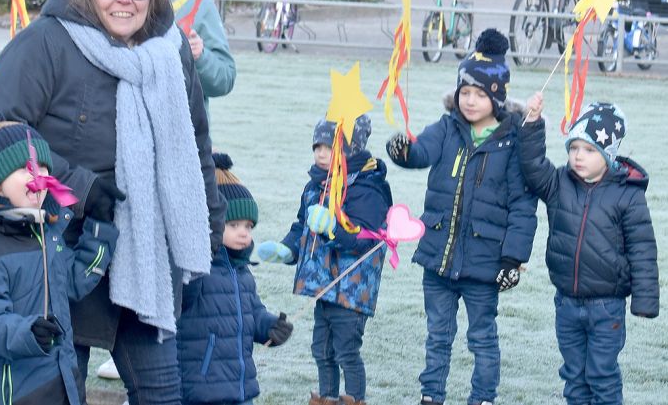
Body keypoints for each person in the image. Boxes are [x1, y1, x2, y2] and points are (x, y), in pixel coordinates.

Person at [0, 0, 226, 405]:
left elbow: (196, 144)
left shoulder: (170, 51)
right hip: (58, 247)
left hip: (147, 250)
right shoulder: (45, 43)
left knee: (162, 393)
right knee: (58, 391)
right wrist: (78, 187)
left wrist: (209, 236)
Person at [385, 29, 538, 405]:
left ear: (497, 97)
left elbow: (523, 205)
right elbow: (420, 152)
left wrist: (513, 259)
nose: (469, 101)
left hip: (484, 265)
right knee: (438, 334)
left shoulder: (512, 141)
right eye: (464, 92)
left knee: (482, 338)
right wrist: (402, 150)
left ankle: (483, 397)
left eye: (479, 94)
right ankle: (431, 395)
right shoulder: (447, 127)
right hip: (438, 259)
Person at [0, 113, 119, 405]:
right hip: (13, 394)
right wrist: (29, 333)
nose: (38, 176)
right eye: (26, 169)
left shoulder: (46, 233)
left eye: (42, 166)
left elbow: (74, 281)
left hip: (62, 384)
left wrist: (100, 229)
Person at [520, 96, 658, 404]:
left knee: (601, 375)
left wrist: (645, 299)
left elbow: (642, 249)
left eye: (588, 149)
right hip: (566, 304)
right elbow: (532, 167)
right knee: (574, 375)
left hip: (606, 307)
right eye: (573, 148)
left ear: (607, 155)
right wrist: (532, 123)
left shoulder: (628, 196)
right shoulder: (559, 183)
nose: (578, 156)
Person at [258, 116, 392, 405]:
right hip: (323, 288)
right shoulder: (315, 185)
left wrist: (333, 228)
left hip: (351, 288)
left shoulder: (367, 187)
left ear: (351, 149)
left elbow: (365, 240)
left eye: (329, 147)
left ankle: (355, 398)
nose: (320, 153)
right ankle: (327, 397)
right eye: (317, 146)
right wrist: (287, 249)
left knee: (346, 350)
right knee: (322, 349)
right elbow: (302, 226)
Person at [178, 153, 292, 405]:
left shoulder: (241, 272)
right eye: (234, 225)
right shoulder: (195, 268)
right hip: (202, 391)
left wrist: (269, 327)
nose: (244, 233)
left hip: (240, 390)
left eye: (248, 226)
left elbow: (251, 312)